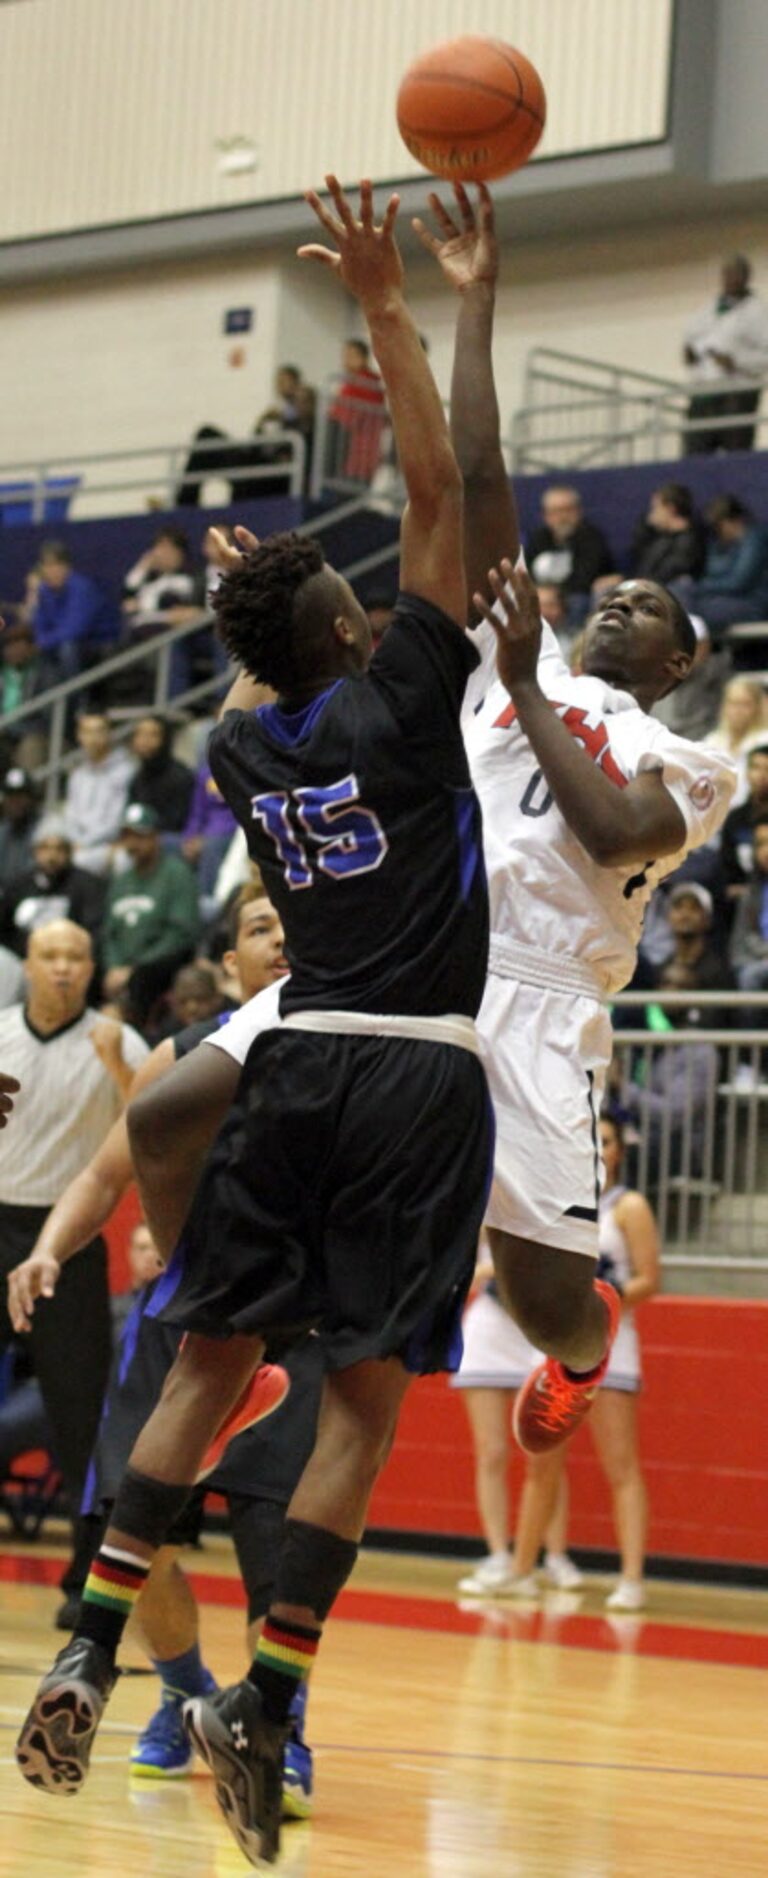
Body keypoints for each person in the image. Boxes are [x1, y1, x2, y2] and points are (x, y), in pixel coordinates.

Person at [16, 177, 493, 1870]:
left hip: (289, 1057)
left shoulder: (251, 750)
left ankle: (84, 1634)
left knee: (206, 1363)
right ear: (357, 630)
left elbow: (261, 660)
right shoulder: (402, 691)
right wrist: (401, 298)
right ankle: (269, 1700)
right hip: (419, 1068)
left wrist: (262, 596)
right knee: (357, 1399)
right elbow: (434, 486)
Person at [411, 182, 735, 1450]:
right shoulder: (518, 660)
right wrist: (477, 297)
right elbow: (479, 469)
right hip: (432, 958)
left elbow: (613, 833)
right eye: (612, 589)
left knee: (549, 1301)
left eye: (648, 605)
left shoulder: (693, 759)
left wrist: (537, 682)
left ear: (677, 661)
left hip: (550, 1002)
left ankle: (588, 1346)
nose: (619, 600)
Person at [8, 884, 316, 1811]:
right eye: (262, 929)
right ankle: (183, 1693)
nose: (282, 942)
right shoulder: (183, 1059)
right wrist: (47, 1249)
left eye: (298, 929)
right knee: (130, 1537)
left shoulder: (348, 1052)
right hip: (179, 1325)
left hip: (295, 1326)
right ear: (230, 964)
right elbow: (105, 1175)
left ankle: (275, 1726)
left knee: (280, 1548)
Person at [0, 920, 147, 1606]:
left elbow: (154, 1132)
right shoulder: (1, 1032)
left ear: (91, 968)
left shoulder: (121, 1042)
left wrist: (119, 1066)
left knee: (80, 1419)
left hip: (68, 1243)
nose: (62, 968)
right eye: (49, 956)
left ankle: (84, 1579)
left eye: (75, 957)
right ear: (27, 965)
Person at [459, 1115, 659, 1611]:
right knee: (540, 1459)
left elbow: (649, 1279)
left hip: (611, 1338)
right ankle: (520, 1567)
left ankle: (632, 1577)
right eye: (594, 1139)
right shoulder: (553, 1200)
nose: (599, 1147)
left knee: (621, 1464)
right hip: (555, 1341)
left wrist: (599, 1304)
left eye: (607, 1141)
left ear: (618, 1152)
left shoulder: (628, 1206)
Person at [101, 804, 200, 1030]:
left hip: (160, 967)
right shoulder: (121, 881)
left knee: (144, 978)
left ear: (156, 837)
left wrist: (134, 969)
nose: (133, 843)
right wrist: (113, 967)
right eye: (127, 836)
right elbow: (109, 934)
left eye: (140, 836)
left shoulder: (177, 874)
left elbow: (182, 933)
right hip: (123, 970)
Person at [683, 255, 768, 453]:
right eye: (726, 274)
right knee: (695, 454)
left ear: (746, 277)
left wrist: (736, 362)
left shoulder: (758, 313)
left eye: (735, 274)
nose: (730, 279)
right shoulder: (707, 309)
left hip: (737, 393)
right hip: (705, 392)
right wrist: (690, 354)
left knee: (735, 453)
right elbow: (692, 338)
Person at [0, 814, 106, 957]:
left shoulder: (86, 885)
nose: (51, 856)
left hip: (67, 965)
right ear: (35, 851)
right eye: (45, 848)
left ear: (69, 852)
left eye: (59, 849)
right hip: (22, 964)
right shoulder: (17, 886)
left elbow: (93, 934)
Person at [27, 541, 119, 683]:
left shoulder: (82, 588)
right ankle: (42, 702)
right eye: (46, 565)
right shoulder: (44, 590)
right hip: (59, 642)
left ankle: (74, 702)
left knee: (67, 648)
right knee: (40, 654)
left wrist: (43, 642)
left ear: (66, 567)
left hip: (96, 642)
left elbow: (75, 629)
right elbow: (39, 624)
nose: (50, 571)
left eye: (54, 565)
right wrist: (40, 641)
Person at [680, 496, 768, 640]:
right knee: (681, 595)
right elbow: (711, 572)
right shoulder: (718, 544)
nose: (716, 531)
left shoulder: (754, 541)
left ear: (732, 521)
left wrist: (698, 587)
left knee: (695, 611)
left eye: (718, 526)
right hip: (722, 598)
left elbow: (738, 583)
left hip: (752, 603)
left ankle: (696, 654)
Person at [525, 482, 612, 624]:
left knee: (577, 602)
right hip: (541, 597)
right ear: (546, 515)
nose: (562, 517)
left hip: (576, 598)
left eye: (567, 510)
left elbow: (584, 579)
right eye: (555, 511)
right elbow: (526, 572)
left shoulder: (591, 537)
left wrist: (555, 595)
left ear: (578, 511)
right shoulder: (538, 538)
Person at [63, 712, 134, 877]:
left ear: (109, 734)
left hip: (109, 844)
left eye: (99, 731)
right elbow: (70, 814)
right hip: (77, 844)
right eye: (87, 732)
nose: (93, 738)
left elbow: (116, 818)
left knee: (122, 860)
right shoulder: (77, 775)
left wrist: (85, 843)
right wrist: (74, 841)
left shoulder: (125, 771)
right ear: (79, 736)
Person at [0, 614, 58, 773]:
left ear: (30, 647)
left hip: (31, 732)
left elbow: (48, 718)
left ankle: (27, 794)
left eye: (18, 645)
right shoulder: (2, 673)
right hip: (4, 731)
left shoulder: (45, 674)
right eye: (9, 645)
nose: (13, 650)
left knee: (31, 747)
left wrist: (13, 728)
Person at [328, 335, 387, 482]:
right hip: (355, 455)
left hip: (358, 455)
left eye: (349, 355)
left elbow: (343, 416)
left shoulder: (364, 384)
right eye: (344, 355)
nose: (345, 360)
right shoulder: (359, 382)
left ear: (363, 358)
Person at [125, 714, 195, 834]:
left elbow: (177, 823)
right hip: (141, 840)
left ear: (165, 739)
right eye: (140, 734)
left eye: (152, 735)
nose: (144, 741)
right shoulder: (136, 778)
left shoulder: (181, 777)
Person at [703, 677, 767, 805]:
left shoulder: (765, 741)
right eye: (732, 703)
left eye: (745, 704)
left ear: (757, 707)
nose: (738, 711)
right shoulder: (712, 741)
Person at [718, 738, 768, 895]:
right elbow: (726, 865)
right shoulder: (735, 818)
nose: (762, 775)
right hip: (739, 900)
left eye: (767, 768)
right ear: (747, 772)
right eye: (756, 767)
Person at [631, 483, 706, 586]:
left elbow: (669, 571)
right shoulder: (660, 537)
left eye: (656, 508)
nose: (652, 514)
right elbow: (642, 563)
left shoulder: (689, 541)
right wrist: (646, 527)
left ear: (671, 509)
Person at [0, 766, 40, 887]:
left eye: (21, 796)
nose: (15, 802)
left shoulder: (44, 830)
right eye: (10, 796)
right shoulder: (2, 831)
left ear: (32, 798)